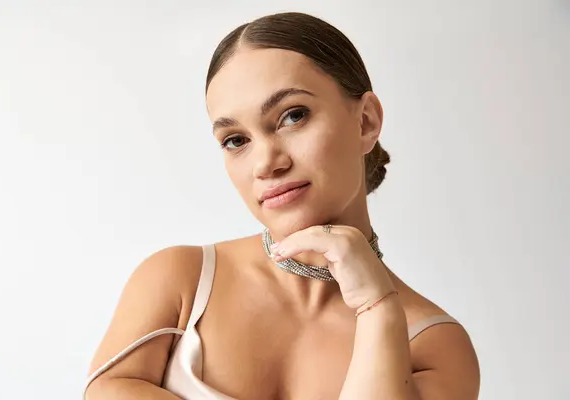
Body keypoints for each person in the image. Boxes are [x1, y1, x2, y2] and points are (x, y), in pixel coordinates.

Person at [84, 11, 480, 400]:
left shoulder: (436, 346)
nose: (266, 163)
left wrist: (376, 306)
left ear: (366, 122)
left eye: (293, 116)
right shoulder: (180, 281)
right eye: (236, 140)